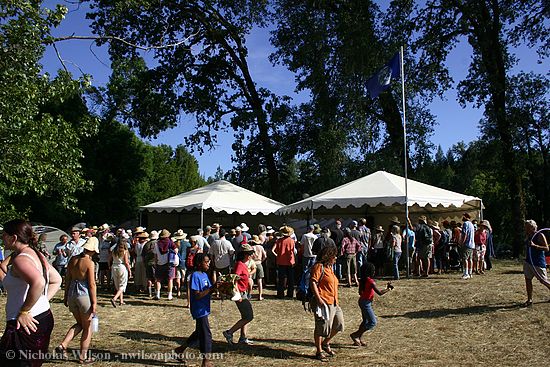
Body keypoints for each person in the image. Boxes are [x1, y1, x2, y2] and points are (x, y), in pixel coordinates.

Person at [0, 219, 62, 366]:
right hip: (41, 317)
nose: (2, 239)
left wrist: (25, 311)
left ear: (13, 237)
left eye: (4, 235)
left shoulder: (20, 259)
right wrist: (41, 302)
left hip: (25, 324)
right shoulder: (36, 254)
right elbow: (56, 280)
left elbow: (39, 282)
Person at [56, 236, 98, 364]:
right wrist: (95, 302)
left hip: (72, 294)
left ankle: (63, 344)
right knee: (88, 327)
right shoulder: (89, 263)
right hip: (83, 295)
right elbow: (91, 284)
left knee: (80, 323)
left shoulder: (73, 259)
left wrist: (65, 296)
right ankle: (83, 356)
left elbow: (67, 279)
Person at [174, 253, 216, 367]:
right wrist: (212, 288)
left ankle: (180, 349)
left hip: (205, 308)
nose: (208, 264)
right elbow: (197, 295)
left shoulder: (205, 275)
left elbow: (209, 290)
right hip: (199, 309)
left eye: (209, 262)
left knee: (198, 333)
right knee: (206, 334)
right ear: (198, 264)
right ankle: (206, 360)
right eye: (206, 262)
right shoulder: (195, 276)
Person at [310, 245, 343, 362]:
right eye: (334, 256)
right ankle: (319, 351)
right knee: (321, 328)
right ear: (328, 256)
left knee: (339, 324)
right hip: (323, 302)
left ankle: (326, 343)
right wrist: (319, 298)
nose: (336, 258)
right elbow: (313, 282)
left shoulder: (330, 268)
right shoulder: (319, 267)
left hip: (334, 302)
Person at [350, 262, 393, 347]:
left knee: (365, 321)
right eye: (373, 270)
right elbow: (380, 293)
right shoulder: (370, 281)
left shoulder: (363, 280)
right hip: (366, 303)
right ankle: (356, 335)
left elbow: (360, 292)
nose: (374, 272)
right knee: (372, 322)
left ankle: (358, 338)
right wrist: (388, 289)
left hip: (362, 301)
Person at [223, 244, 255, 346]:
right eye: (250, 253)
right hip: (239, 293)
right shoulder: (239, 265)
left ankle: (243, 337)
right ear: (245, 255)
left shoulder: (243, 264)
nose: (251, 255)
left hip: (243, 292)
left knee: (245, 316)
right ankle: (229, 332)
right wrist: (237, 294)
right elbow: (234, 279)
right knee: (248, 316)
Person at [522, 219, 550, 307]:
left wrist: (535, 246)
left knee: (543, 281)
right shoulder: (528, 235)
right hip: (528, 261)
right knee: (528, 279)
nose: (525, 228)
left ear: (533, 227)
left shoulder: (539, 235)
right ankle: (529, 299)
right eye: (525, 227)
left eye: (527, 227)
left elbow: (546, 248)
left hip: (538, 262)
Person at [271, 226, 296, 298]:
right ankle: (290, 294)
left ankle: (280, 294)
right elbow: (294, 252)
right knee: (291, 279)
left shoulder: (279, 241)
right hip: (290, 262)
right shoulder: (292, 241)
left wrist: (277, 255)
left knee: (281, 279)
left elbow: (273, 250)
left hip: (281, 262)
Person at [154, 229, 177, 300]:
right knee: (170, 279)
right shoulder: (171, 242)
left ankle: (157, 294)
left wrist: (155, 262)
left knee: (158, 280)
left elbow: (155, 255)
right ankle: (169, 295)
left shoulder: (156, 243)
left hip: (159, 263)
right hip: (169, 263)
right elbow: (176, 251)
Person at [110, 238, 131, 307]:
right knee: (122, 285)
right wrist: (129, 270)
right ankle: (114, 298)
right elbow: (126, 262)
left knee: (118, 284)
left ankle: (121, 300)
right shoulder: (125, 251)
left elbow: (109, 259)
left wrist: (109, 266)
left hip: (114, 266)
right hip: (121, 267)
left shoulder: (113, 250)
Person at [250, 235, 267, 301]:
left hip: (252, 264)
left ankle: (249, 294)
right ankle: (260, 296)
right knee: (259, 281)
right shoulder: (261, 247)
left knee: (251, 280)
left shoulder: (251, 247)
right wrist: (261, 261)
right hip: (259, 263)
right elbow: (265, 256)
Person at [459, 213, 475, 279]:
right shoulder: (471, 224)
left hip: (466, 244)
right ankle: (470, 273)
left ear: (465, 217)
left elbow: (464, 234)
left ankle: (466, 273)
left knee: (465, 259)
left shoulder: (465, 224)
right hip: (471, 244)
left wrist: (462, 242)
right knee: (470, 259)